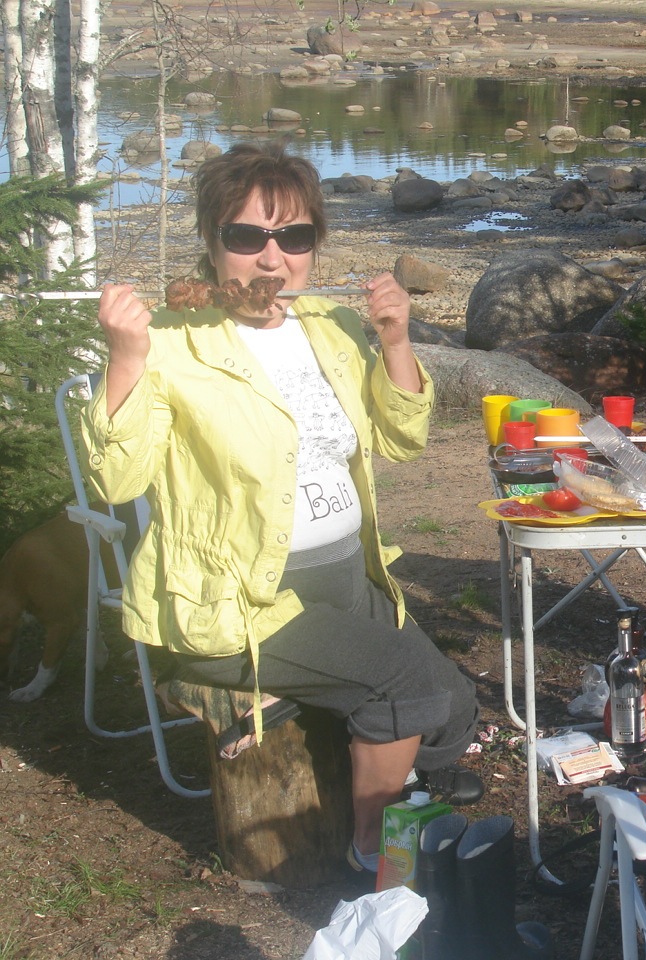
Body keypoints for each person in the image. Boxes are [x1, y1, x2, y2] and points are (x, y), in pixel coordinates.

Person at [81, 141, 481, 873]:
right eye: (247, 236)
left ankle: (392, 775)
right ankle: (373, 852)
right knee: (406, 679)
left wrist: (395, 340)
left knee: (456, 707)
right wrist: (126, 360)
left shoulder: (330, 325)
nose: (272, 259)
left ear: (314, 245)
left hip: (348, 580)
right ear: (212, 244)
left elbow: (402, 439)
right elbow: (116, 478)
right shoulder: (170, 343)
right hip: (241, 604)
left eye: (294, 236)